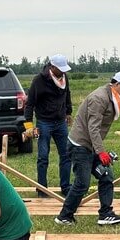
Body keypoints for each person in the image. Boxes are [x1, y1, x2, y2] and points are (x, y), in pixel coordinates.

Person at [54, 71, 120, 226]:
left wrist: (99, 150)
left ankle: (106, 214)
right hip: (80, 146)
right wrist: (101, 152)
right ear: (118, 84)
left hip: (90, 146)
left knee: (106, 175)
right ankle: (64, 216)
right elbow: (93, 129)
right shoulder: (99, 98)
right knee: (82, 183)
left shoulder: (109, 96)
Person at [24, 54, 73, 197]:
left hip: (60, 123)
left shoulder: (64, 78)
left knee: (66, 155)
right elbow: (30, 104)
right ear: (52, 67)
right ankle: (42, 189)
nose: (63, 72)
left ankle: (66, 187)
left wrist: (68, 112)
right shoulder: (39, 80)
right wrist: (28, 127)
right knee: (43, 157)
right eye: (60, 69)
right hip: (44, 123)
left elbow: (67, 95)